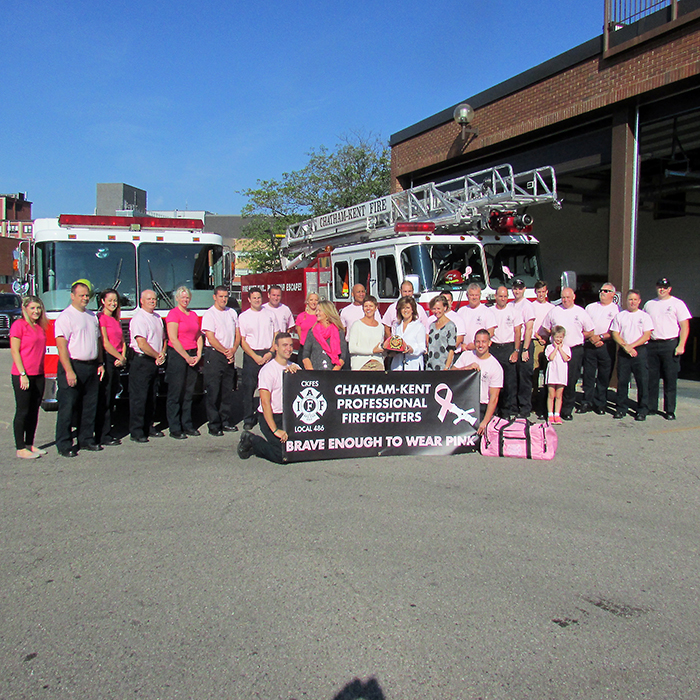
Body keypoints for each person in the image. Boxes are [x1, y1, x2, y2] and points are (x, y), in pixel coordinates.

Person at [54, 281, 104, 457]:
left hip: (91, 366)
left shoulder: (91, 316)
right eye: (81, 295)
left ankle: (86, 439)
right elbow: (61, 346)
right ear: (72, 296)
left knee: (89, 406)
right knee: (68, 407)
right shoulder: (65, 317)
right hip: (73, 366)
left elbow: (97, 341)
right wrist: (68, 371)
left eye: (87, 295)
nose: (85, 298)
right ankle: (64, 443)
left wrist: (100, 363)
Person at [237, 332, 300, 463]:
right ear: (275, 347)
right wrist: (275, 430)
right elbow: (265, 403)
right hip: (270, 417)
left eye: (290, 345)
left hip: (288, 418)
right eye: (284, 345)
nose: (288, 349)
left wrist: (299, 375)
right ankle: (252, 440)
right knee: (281, 456)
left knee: (297, 450)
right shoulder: (268, 370)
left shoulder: (296, 368)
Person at [538, 287, 594, 421]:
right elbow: (545, 327)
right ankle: (549, 411)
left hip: (573, 350)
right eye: (563, 297)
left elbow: (590, 331)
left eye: (568, 297)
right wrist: (553, 338)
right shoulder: (555, 311)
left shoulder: (580, 312)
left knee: (570, 380)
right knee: (552, 381)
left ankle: (566, 410)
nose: (565, 300)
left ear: (573, 297)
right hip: (555, 351)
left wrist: (579, 336)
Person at [643, 277, 691, 420]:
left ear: (669, 289)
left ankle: (669, 410)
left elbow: (685, 326)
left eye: (664, 287)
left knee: (670, 378)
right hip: (652, 344)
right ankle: (651, 407)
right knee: (652, 378)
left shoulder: (677, 304)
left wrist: (681, 345)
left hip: (669, 344)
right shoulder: (649, 304)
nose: (661, 289)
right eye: (659, 287)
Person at [10, 296, 47, 459]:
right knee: (23, 411)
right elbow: (15, 351)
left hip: (38, 374)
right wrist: (22, 374)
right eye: (32, 308)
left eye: (38, 308)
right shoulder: (19, 325)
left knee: (34, 411)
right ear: (24, 308)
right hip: (23, 374)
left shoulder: (39, 327)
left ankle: (29, 444)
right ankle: (20, 448)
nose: (36, 311)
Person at [201, 286, 240, 436]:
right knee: (214, 391)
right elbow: (210, 337)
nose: (223, 299)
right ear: (214, 297)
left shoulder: (231, 313)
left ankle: (225, 421)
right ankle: (214, 424)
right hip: (215, 355)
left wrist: (233, 349)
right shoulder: (210, 314)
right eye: (221, 296)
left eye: (225, 297)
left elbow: (238, 333)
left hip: (229, 354)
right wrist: (225, 351)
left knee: (227, 391)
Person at [165, 286, 203, 439]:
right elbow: (173, 339)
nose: (185, 300)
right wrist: (186, 357)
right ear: (177, 299)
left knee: (189, 393)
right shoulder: (173, 314)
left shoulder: (193, 314)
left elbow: (198, 335)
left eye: (187, 297)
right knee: (176, 392)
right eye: (182, 297)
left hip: (193, 355)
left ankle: (187, 425)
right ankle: (175, 427)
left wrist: (199, 354)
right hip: (178, 356)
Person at [129, 289, 167, 443]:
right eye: (149, 299)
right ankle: (137, 431)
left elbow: (163, 339)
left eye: (154, 299)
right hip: (142, 361)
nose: (152, 301)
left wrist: (162, 353)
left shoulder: (157, 318)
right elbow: (142, 344)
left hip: (155, 361)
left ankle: (149, 426)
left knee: (152, 397)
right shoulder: (138, 319)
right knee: (139, 398)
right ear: (141, 301)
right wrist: (157, 355)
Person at [611, 289, 654, 421]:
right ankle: (621, 408)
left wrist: (632, 346)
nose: (633, 302)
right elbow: (615, 334)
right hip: (624, 351)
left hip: (639, 351)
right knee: (622, 381)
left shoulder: (644, 316)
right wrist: (625, 346)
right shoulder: (620, 316)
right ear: (626, 301)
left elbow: (647, 335)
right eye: (630, 299)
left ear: (639, 301)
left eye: (635, 299)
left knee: (642, 381)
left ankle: (642, 410)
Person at [238, 287, 277, 430]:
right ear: (249, 299)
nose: (257, 300)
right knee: (248, 389)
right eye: (254, 298)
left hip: (268, 353)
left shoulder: (270, 314)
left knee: (270, 388)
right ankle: (248, 418)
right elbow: (242, 340)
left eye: (259, 298)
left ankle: (268, 417)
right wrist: (254, 356)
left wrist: (270, 353)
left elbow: (276, 335)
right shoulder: (243, 317)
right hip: (251, 355)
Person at [452, 328, 503, 434]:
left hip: (482, 406)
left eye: (484, 342)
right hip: (463, 403)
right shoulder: (466, 355)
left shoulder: (495, 367)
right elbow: (451, 374)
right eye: (478, 342)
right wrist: (466, 368)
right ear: (474, 342)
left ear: (489, 343)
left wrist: (485, 422)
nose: (480, 345)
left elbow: (494, 398)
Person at [580, 283, 619, 415]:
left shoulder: (617, 310)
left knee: (604, 375)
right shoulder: (590, 307)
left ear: (613, 294)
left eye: (607, 291)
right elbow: (584, 325)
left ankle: (600, 403)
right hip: (590, 344)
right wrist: (592, 338)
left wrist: (601, 337)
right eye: (601, 290)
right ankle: (587, 401)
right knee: (588, 374)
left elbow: (616, 330)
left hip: (606, 345)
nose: (603, 293)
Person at [96, 289, 126, 446]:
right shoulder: (101, 318)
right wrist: (119, 357)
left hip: (118, 360)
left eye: (116, 300)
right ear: (102, 301)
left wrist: (123, 357)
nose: (113, 303)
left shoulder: (115, 319)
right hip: (109, 359)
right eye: (110, 300)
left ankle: (108, 430)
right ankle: (103, 434)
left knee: (112, 397)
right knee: (105, 398)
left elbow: (122, 341)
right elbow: (105, 343)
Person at [489, 286, 521, 418]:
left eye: (505, 296)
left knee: (509, 383)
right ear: (495, 296)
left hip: (508, 348)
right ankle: (494, 411)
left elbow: (518, 331)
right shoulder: (489, 311)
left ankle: (506, 411)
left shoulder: (513, 311)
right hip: (494, 348)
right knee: (493, 382)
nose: (503, 299)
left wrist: (516, 350)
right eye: (500, 296)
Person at [510, 279, 536, 418]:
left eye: (519, 288)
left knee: (524, 378)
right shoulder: (511, 305)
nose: (517, 291)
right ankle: (513, 407)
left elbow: (529, 328)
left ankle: (525, 408)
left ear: (524, 289)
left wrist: (525, 349)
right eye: (515, 288)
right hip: (513, 344)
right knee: (513, 378)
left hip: (524, 344)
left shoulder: (527, 306)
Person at [302, 300, 347, 370]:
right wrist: (312, 373)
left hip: (334, 375)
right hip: (315, 373)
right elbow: (305, 355)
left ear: (327, 312)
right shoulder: (312, 332)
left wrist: (333, 373)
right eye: (316, 311)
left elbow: (343, 356)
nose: (316, 313)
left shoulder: (339, 331)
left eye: (319, 311)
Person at [532, 280, 554, 416]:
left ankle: (546, 403)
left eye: (543, 292)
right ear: (535, 292)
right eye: (539, 292)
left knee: (548, 374)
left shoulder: (552, 308)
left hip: (549, 342)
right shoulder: (531, 306)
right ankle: (534, 401)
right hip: (535, 341)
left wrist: (547, 338)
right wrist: (538, 337)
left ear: (546, 292)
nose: (541, 294)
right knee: (534, 373)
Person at [389, 296, 426, 371]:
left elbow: (422, 347)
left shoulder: (419, 326)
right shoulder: (397, 325)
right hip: (398, 365)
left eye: (408, 308)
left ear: (412, 310)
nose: (405, 310)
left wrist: (412, 350)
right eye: (403, 308)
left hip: (413, 365)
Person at [348, 295, 385, 370]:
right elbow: (352, 348)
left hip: (378, 364)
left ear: (376, 308)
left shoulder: (381, 327)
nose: (368, 308)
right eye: (366, 306)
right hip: (361, 365)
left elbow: (380, 348)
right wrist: (371, 351)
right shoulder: (356, 325)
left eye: (371, 306)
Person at [457, 283, 496, 351]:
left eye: (476, 295)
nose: (474, 297)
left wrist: (476, 345)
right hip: (464, 350)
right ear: (467, 295)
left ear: (480, 295)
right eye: (471, 295)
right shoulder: (461, 311)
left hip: (480, 350)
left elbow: (491, 332)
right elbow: (456, 331)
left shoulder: (487, 311)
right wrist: (461, 345)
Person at [545, 326, 571, 424]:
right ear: (553, 337)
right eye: (557, 337)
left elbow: (566, 358)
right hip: (552, 372)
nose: (559, 339)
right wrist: (555, 348)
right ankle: (550, 414)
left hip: (561, 373)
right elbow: (550, 357)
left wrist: (560, 348)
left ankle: (557, 414)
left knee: (559, 395)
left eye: (560, 337)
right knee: (551, 394)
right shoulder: (549, 347)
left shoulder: (566, 348)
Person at [426, 295, 457, 371]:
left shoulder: (451, 326)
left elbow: (451, 349)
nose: (436, 311)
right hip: (430, 366)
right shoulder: (432, 325)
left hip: (443, 366)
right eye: (434, 309)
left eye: (438, 308)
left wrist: (446, 367)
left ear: (445, 308)